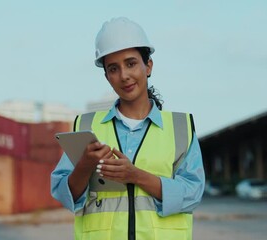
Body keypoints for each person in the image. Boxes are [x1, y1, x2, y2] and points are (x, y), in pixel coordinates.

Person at [51, 17, 205, 240]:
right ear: (107, 76)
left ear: (148, 66)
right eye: (113, 68)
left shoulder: (180, 128)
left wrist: (136, 176)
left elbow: (193, 193)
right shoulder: (86, 127)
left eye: (131, 63)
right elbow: (64, 194)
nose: (124, 76)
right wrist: (84, 165)